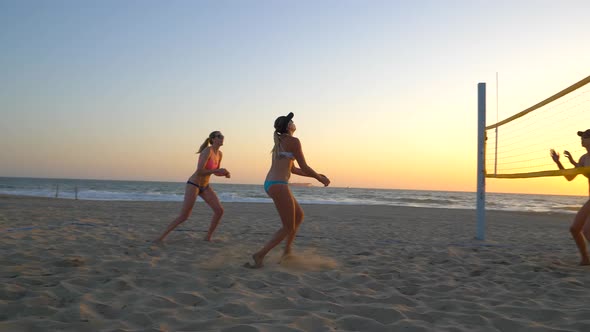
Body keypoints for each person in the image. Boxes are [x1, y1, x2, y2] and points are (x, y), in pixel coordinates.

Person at [246, 112, 330, 268]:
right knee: (288, 227)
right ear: (288, 126)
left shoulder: (279, 142)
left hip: (271, 183)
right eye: (292, 121)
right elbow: (304, 166)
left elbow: (294, 169)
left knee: (299, 216)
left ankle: (286, 252)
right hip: (278, 184)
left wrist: (316, 176)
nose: (294, 122)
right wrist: (320, 178)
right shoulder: (293, 141)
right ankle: (260, 255)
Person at [155, 131, 231, 243]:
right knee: (184, 216)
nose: (222, 138)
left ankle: (208, 237)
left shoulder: (219, 154)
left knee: (219, 211)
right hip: (194, 184)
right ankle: (160, 237)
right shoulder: (207, 151)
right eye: (219, 136)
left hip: (205, 186)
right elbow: (200, 171)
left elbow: (214, 172)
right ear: (213, 139)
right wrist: (217, 170)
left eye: (222, 136)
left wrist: (224, 173)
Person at [550, 129, 590, 265]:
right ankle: (585, 259)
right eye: (582, 137)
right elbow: (569, 177)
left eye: (584, 137)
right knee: (574, 229)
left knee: (587, 231)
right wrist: (558, 162)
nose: (582, 139)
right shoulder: (584, 158)